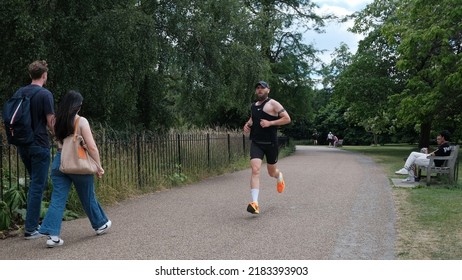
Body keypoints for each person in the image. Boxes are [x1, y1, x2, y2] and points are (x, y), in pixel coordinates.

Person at [38, 90, 110, 247]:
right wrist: (98, 165)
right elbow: (91, 146)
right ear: (77, 106)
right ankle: (100, 224)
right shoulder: (81, 121)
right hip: (78, 163)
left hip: (60, 162)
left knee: (58, 198)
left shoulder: (55, 121)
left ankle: (52, 235)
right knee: (87, 196)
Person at [15, 60, 55, 239]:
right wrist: (60, 137)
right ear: (44, 75)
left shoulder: (20, 92)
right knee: (38, 185)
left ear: (31, 75)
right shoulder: (45, 94)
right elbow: (51, 122)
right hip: (39, 144)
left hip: (23, 144)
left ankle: (32, 223)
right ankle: (31, 228)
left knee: (35, 183)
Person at [243, 81, 291, 214]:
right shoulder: (253, 106)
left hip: (271, 144)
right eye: (257, 88)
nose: (259, 90)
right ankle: (255, 203)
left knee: (272, 173)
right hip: (256, 143)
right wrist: (247, 125)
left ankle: (279, 176)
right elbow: (253, 119)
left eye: (262, 88)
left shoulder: (273, 104)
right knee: (255, 170)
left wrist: (270, 123)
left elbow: (287, 119)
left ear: (268, 90)